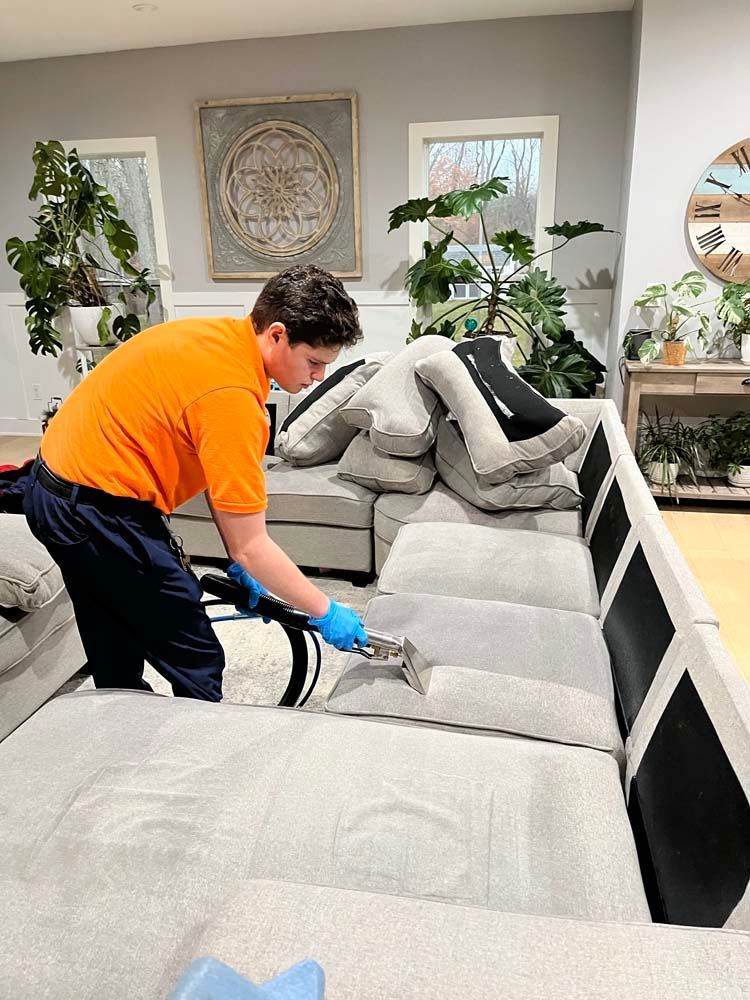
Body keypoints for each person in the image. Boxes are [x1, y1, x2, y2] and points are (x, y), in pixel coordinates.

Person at [23, 264, 368, 702]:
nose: (317, 376)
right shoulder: (232, 398)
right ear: (277, 334)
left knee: (112, 628)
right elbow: (253, 544)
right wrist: (325, 612)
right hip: (94, 510)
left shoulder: (218, 338)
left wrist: (238, 562)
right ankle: (197, 752)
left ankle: (116, 722)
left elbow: (218, 480)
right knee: (195, 652)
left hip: (51, 488)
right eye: (314, 362)